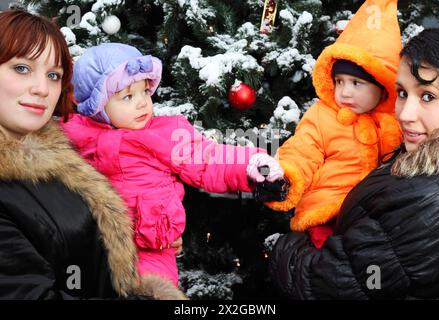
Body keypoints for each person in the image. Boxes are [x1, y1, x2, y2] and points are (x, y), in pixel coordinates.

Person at [60, 43, 284, 287]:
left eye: (145, 92)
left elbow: (207, 158)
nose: (142, 103)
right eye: (128, 96)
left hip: (152, 250)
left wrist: (250, 165)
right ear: (97, 106)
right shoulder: (75, 135)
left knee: (153, 290)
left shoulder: (165, 134)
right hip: (94, 248)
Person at [0, 10, 187, 300]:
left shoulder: (64, 156)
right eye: (22, 68)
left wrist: (151, 233)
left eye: (53, 75)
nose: (41, 89)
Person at [269, 24, 439, 299]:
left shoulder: (431, 200)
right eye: (402, 93)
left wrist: (283, 247)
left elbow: (328, 285)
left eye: (428, 96)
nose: (405, 114)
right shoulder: (417, 155)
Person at [265, 0, 403, 248]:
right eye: (339, 82)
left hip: (377, 216)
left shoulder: (395, 122)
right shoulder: (323, 116)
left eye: (356, 83)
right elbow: (302, 150)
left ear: (382, 85)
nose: (344, 92)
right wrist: (286, 177)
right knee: (330, 255)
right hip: (327, 211)